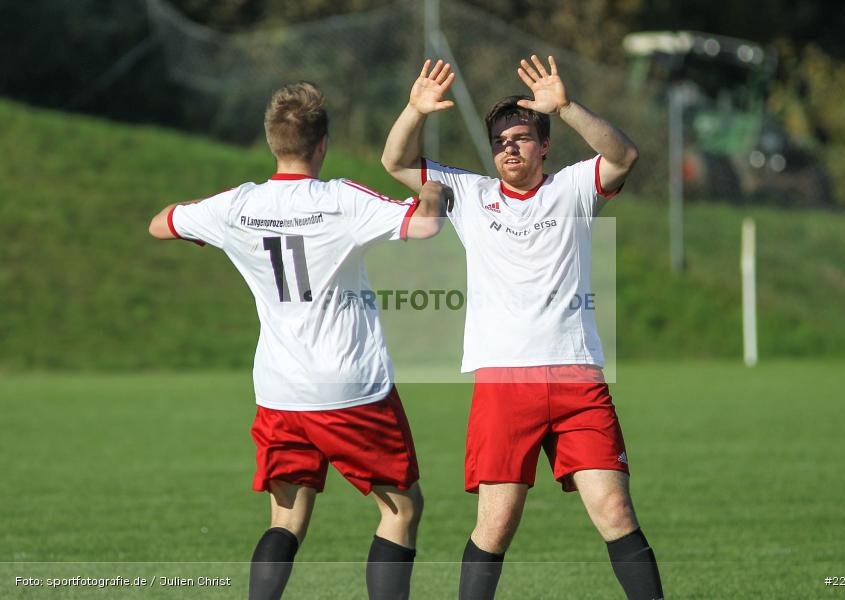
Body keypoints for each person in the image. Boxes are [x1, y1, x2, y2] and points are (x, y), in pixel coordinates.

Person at [148, 81, 452, 600]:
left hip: (280, 389)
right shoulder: (340, 199)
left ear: (272, 141)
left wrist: (216, 220)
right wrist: (433, 192)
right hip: (350, 388)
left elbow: (161, 224)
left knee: (286, 516)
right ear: (322, 144)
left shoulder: (237, 204)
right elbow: (424, 228)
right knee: (400, 508)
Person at [381, 57, 664, 600]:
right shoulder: (469, 193)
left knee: (615, 510)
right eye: (499, 141)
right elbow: (395, 159)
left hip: (578, 381)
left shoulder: (575, 188)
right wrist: (414, 111)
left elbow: (623, 154)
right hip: (505, 385)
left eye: (521, 137)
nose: (508, 147)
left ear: (544, 146)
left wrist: (565, 106)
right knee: (495, 525)